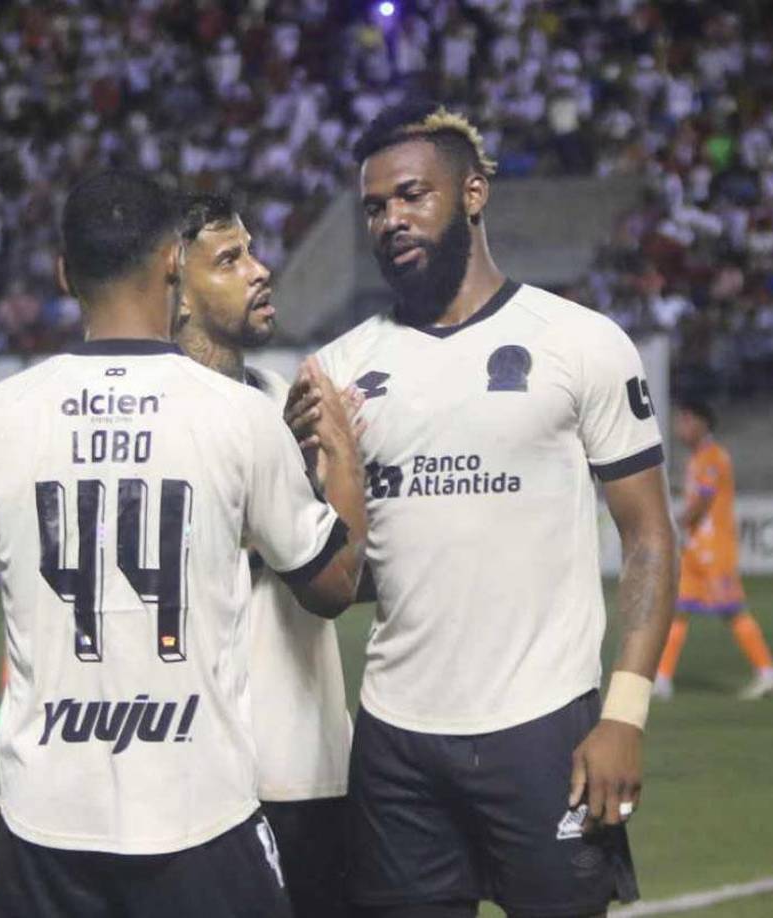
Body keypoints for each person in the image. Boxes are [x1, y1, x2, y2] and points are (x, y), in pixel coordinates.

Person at [0, 170, 366, 917]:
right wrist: (342, 460)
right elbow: (333, 585)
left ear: (64, 273)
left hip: (47, 823)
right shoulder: (240, 416)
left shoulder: (0, 415)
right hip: (202, 815)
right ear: (169, 266)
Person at [288, 101, 677, 917]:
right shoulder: (336, 372)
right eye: (374, 205)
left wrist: (625, 715)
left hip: (546, 731)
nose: (391, 218)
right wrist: (328, 476)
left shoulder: (580, 342)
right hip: (394, 740)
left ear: (472, 193)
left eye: (411, 195)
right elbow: (340, 579)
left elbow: (647, 538)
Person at [175, 192, 354, 918]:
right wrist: (266, 470)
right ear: (173, 291)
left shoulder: (285, 397)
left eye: (252, 250)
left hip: (305, 760)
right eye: (230, 258)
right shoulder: (152, 417)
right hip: (193, 778)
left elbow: (346, 572)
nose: (260, 269)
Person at [654, 400, 773, 701]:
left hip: (716, 552)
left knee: (732, 611)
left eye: (686, 420)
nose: (680, 427)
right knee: (678, 609)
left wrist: (674, 523)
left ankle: (769, 673)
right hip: (695, 551)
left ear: (702, 423)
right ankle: (662, 679)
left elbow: (702, 501)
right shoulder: (696, 459)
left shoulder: (714, 457)